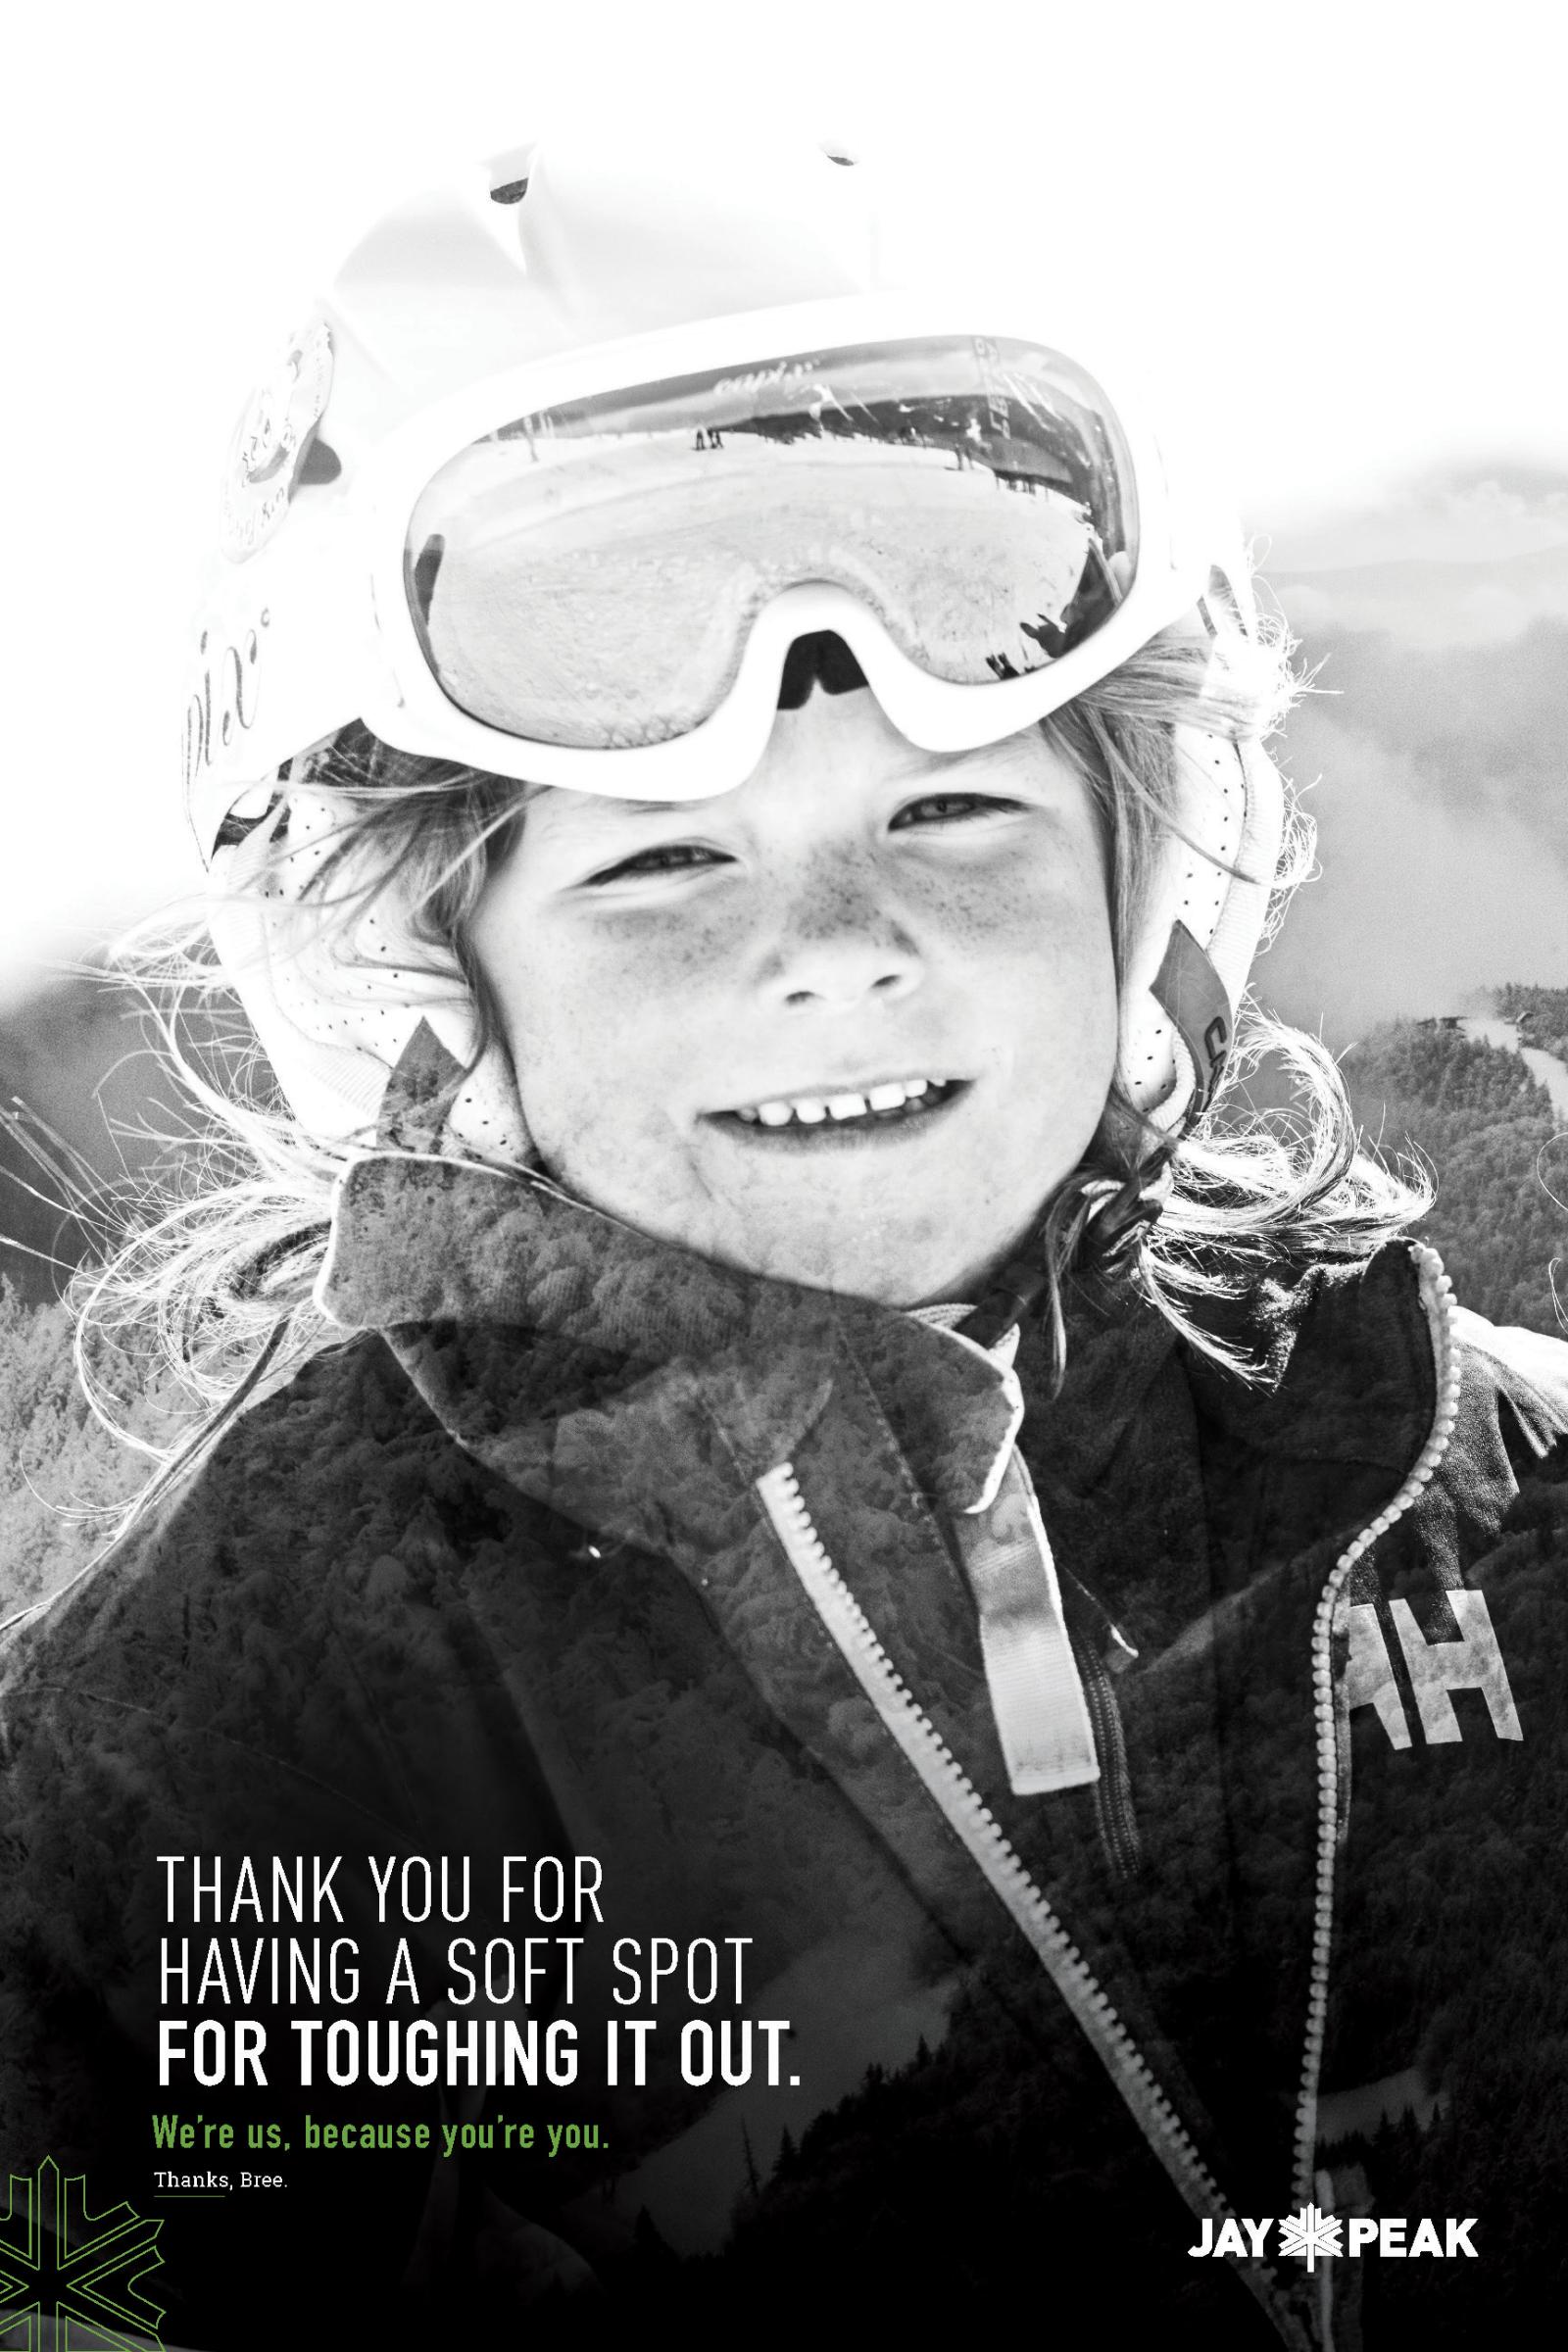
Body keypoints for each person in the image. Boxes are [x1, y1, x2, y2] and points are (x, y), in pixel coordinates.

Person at [3, 127, 1566, 2352]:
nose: (838, 950)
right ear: (439, 976)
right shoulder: (227, 1735)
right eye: (656, 869)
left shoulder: (1467, 1486)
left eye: (954, 812)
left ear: (1143, 870)